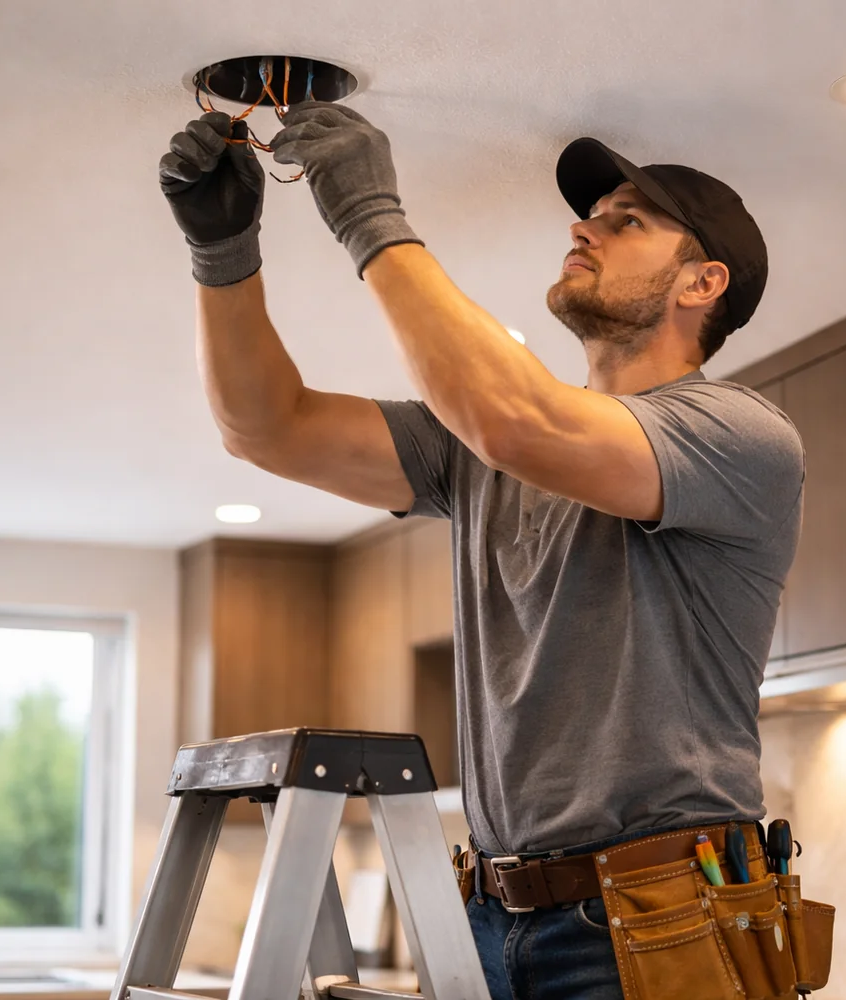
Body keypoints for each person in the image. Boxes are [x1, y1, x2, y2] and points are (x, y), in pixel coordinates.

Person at [160, 102, 805, 999]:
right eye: (593, 213)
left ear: (702, 285)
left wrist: (369, 217)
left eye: (629, 222)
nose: (585, 227)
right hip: (486, 914)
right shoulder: (474, 454)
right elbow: (267, 426)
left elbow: (521, 419)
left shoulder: (737, 434)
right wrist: (222, 252)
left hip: (662, 916)